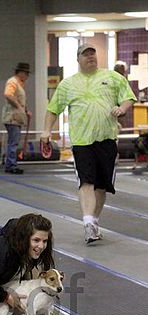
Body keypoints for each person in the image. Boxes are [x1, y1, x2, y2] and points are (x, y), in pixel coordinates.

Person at [41, 44, 136, 244]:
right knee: (86, 182)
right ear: (78, 59)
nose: (91, 57)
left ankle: (93, 221)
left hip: (107, 140)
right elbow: (52, 110)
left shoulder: (112, 78)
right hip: (82, 142)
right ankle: (87, 223)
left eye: (93, 54)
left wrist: (122, 107)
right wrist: (47, 131)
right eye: (86, 55)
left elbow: (128, 97)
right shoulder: (68, 85)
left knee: (101, 187)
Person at [2, 62, 31, 174]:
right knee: (13, 142)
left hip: (15, 117)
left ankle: (10, 163)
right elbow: (8, 95)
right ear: (21, 73)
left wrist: (25, 110)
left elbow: (18, 99)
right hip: (12, 117)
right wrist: (19, 107)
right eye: (26, 73)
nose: (27, 76)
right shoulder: (13, 82)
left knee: (13, 141)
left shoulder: (19, 83)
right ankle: (11, 165)